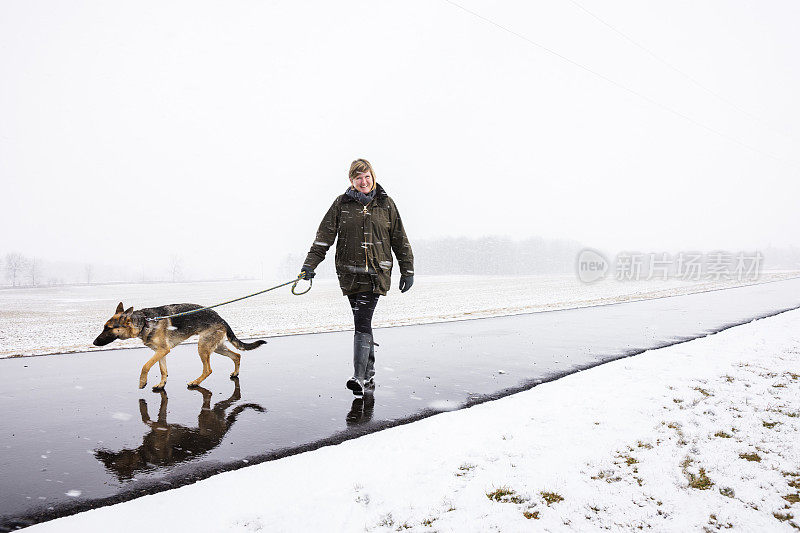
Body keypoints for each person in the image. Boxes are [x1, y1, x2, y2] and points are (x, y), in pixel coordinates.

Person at [301, 158, 414, 396]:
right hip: (349, 275)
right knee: (363, 323)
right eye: (358, 177)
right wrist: (309, 265)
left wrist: (408, 269)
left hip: (376, 274)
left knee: (361, 322)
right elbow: (324, 237)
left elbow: (399, 239)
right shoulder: (341, 204)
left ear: (373, 176)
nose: (364, 181)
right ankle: (369, 373)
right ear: (351, 181)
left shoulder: (386, 204)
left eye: (367, 176)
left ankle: (359, 377)